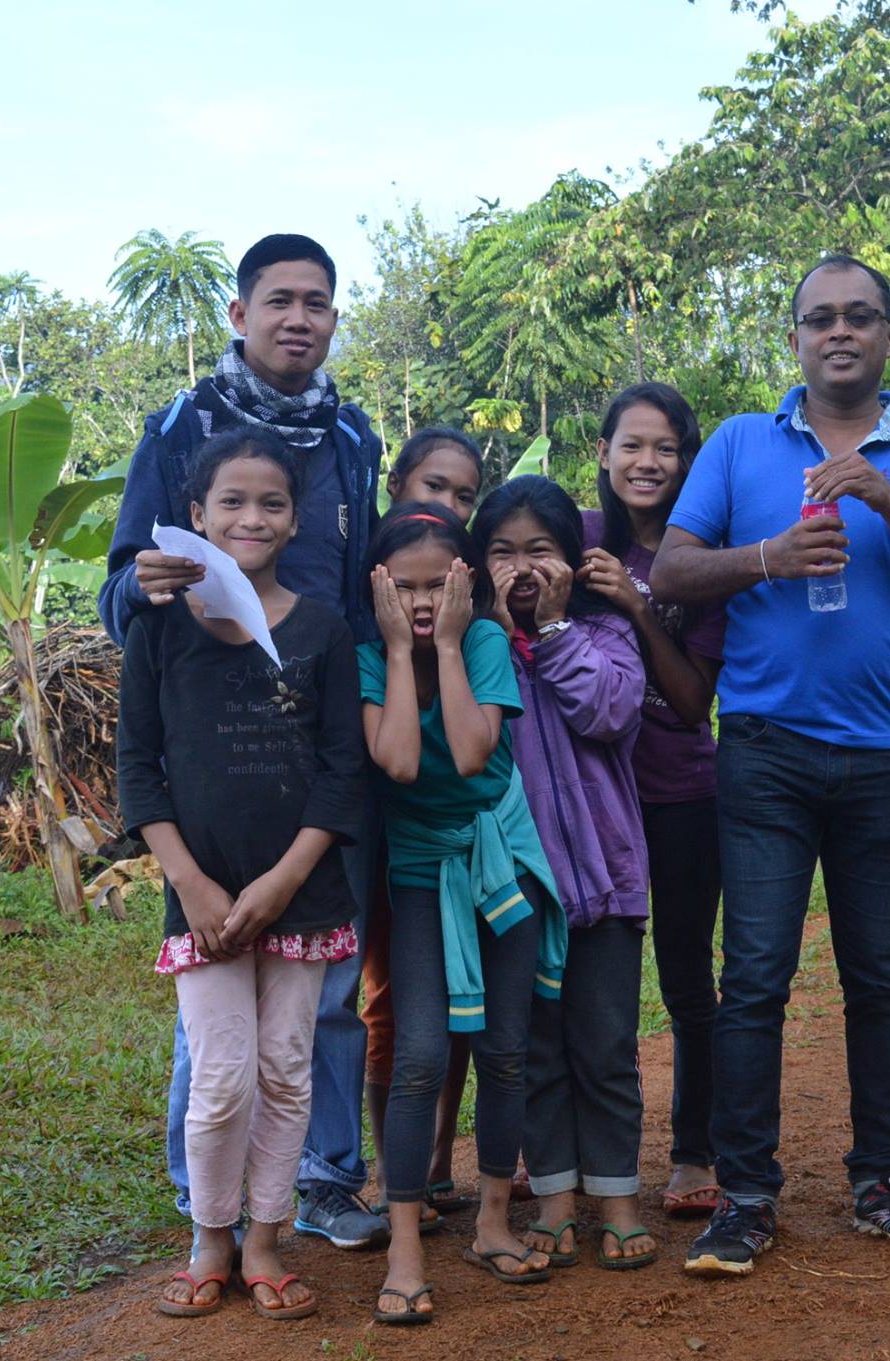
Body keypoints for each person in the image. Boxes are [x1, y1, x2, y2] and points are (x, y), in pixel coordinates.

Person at [652, 254, 890, 1278]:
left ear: (889, 335)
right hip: (762, 751)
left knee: (877, 977)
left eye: (857, 317)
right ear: (792, 338)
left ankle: (881, 1177)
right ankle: (745, 1194)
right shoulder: (740, 443)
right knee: (751, 976)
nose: (836, 332)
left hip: (886, 754)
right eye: (816, 319)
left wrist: (888, 504)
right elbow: (668, 572)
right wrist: (766, 558)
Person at [98, 233, 392, 1252]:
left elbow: (358, 592)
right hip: (208, 739)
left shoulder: (351, 437)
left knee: (323, 990)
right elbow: (120, 581)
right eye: (278, 300)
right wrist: (139, 587)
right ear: (239, 313)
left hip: (319, 725)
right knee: (213, 999)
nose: (298, 318)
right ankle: (203, 1197)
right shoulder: (181, 426)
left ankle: (319, 1176)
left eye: (317, 301)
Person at [117, 431, 366, 1321]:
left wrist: (285, 879)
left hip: (301, 896)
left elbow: (343, 771)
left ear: (295, 518)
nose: (250, 517)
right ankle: (208, 1237)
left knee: (287, 1069)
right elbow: (138, 769)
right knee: (221, 1074)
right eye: (231, 501)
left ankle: (266, 1238)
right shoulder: (155, 629)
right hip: (203, 900)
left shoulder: (323, 629)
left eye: (270, 502)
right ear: (195, 517)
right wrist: (191, 881)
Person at [360, 502, 570, 1324]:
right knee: (417, 1053)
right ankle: (405, 1243)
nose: (419, 600)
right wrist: (410, 647)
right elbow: (404, 764)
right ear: (377, 587)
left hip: (500, 857)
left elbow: (476, 748)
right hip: (420, 870)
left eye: (435, 584)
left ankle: (490, 1219)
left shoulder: (482, 643)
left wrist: (446, 642)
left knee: (507, 1050)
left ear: (464, 582)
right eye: (402, 586)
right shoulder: (369, 660)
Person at [473, 476, 655, 1270]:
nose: (522, 567)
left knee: (607, 1042)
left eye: (541, 550)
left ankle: (616, 1196)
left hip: (607, 880)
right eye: (504, 551)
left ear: (573, 562)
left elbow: (610, 711)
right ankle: (551, 1197)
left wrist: (552, 630)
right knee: (533, 1047)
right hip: (518, 891)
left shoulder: (605, 631)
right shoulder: (472, 647)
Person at [578, 383, 727, 1220]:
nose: (647, 462)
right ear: (603, 452)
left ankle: (693, 1149)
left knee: (683, 974)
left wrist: (637, 604)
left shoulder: (700, 554)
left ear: (688, 461)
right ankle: (566, 1147)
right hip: (586, 791)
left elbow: (693, 699)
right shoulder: (576, 536)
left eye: (666, 448)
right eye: (631, 445)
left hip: (678, 792)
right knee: (581, 978)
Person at [360, 427, 486, 1224]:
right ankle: (390, 1167)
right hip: (378, 821)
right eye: (433, 486)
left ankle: (439, 1159)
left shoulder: (470, 616)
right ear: (396, 483)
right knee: (388, 1001)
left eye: (465, 495)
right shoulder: (373, 587)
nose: (447, 505)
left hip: (465, 832)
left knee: (459, 1001)